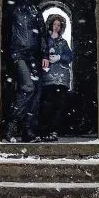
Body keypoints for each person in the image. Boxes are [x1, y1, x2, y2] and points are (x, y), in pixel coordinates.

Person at [4, 0, 46, 143]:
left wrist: (44, 55)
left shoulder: (36, 11)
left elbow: (42, 34)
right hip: (18, 54)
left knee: (35, 92)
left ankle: (28, 132)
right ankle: (11, 126)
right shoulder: (13, 9)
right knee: (28, 87)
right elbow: (5, 29)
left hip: (33, 56)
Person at [38, 13, 74, 142]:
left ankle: (53, 131)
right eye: (55, 24)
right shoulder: (45, 40)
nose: (57, 27)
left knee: (58, 105)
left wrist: (59, 57)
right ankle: (44, 131)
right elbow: (40, 53)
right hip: (47, 77)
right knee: (47, 104)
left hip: (62, 77)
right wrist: (46, 57)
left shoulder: (63, 42)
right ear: (50, 24)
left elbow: (70, 57)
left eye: (59, 25)